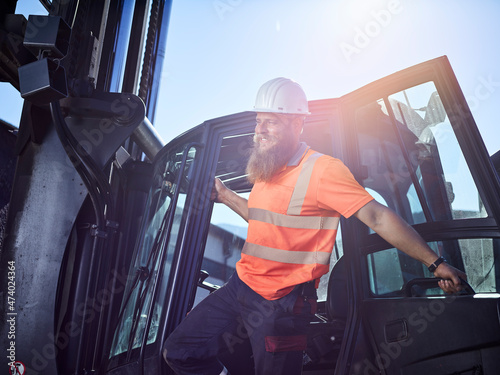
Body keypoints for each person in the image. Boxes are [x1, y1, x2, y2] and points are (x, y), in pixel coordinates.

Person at [163, 77, 467, 375]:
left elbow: (377, 216)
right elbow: (264, 222)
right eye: (259, 121)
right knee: (181, 351)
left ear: (297, 124)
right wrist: (227, 197)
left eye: (272, 121)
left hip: (283, 302)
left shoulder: (323, 170)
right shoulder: (266, 169)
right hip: (240, 287)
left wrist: (434, 262)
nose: (260, 130)